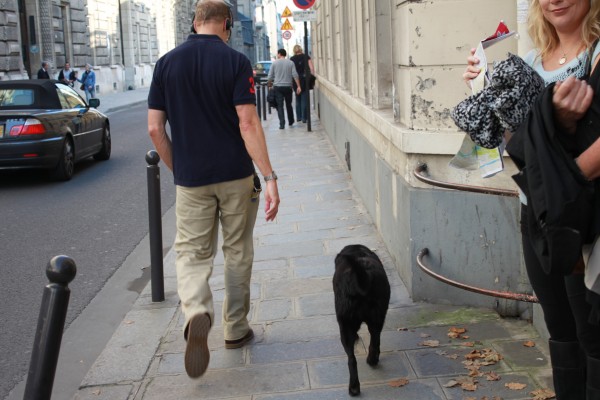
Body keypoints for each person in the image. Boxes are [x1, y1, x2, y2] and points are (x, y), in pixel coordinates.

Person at [463, 1, 600, 398]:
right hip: (535, 215)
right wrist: (482, 91)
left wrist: (565, 173)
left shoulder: (595, 55)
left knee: (589, 334)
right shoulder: (529, 61)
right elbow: (516, 147)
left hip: (580, 214)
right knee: (559, 330)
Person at [147, 0, 280, 380]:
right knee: (238, 250)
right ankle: (235, 330)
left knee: (190, 252)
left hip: (192, 179)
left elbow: (155, 129)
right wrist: (269, 177)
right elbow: (248, 121)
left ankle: (196, 312)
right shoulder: (236, 62)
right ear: (224, 24)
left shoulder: (166, 64)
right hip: (236, 175)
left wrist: (179, 168)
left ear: (195, 21)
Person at [267, 48, 301, 129]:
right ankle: (291, 121)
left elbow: (270, 76)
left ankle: (282, 124)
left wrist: (269, 84)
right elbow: (295, 75)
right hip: (288, 87)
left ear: (279, 54)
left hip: (278, 87)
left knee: (280, 106)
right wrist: (298, 86)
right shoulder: (290, 63)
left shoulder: (274, 63)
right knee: (289, 104)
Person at [290, 45, 315, 123]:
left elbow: (291, 71)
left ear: (294, 50)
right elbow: (311, 68)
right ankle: (304, 117)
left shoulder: (292, 59)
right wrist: (311, 77)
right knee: (304, 98)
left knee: (297, 98)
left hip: (295, 79)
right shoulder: (306, 57)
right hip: (304, 79)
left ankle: (298, 117)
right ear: (301, 49)